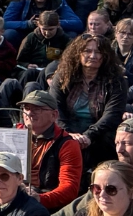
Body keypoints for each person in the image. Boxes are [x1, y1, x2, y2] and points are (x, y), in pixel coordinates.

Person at [51, 33, 128, 169]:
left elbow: (112, 114)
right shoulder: (63, 76)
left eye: (98, 52)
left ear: (105, 56)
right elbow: (55, 108)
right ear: (78, 53)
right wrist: (68, 133)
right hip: (68, 129)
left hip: (100, 132)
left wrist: (88, 136)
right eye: (87, 51)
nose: (93, 56)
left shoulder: (116, 80)